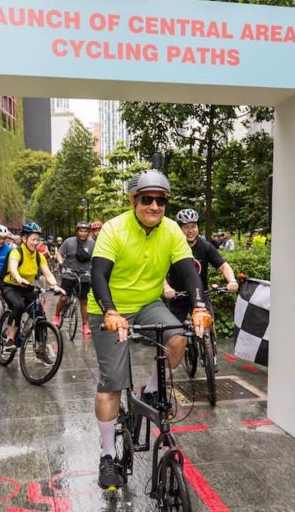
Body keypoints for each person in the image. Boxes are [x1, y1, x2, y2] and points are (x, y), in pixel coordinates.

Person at [89, 170, 212, 489]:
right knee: (112, 383)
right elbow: (98, 274)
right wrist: (111, 311)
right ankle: (107, 454)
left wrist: (199, 306)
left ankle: (150, 390)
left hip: (147, 303)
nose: (154, 206)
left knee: (178, 338)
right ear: (133, 201)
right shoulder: (115, 229)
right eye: (147, 199)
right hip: (111, 306)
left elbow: (189, 272)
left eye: (160, 200)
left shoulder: (171, 230)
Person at [163, 209, 239, 324]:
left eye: (193, 226)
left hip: (201, 296)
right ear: (179, 229)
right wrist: (167, 288)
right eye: (186, 227)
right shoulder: (171, 247)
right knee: (175, 335)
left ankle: (208, 341)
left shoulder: (205, 246)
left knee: (207, 327)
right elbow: (160, 272)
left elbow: (223, 266)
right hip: (178, 297)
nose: (190, 231)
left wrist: (232, 281)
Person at [2, 222, 65, 355]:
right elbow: (13, 268)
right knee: (18, 306)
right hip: (10, 286)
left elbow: (47, 273)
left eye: (38, 240)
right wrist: (19, 278)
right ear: (24, 239)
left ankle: (41, 349)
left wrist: (55, 286)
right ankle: (10, 339)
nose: (36, 242)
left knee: (40, 315)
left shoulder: (39, 256)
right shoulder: (16, 252)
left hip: (27, 287)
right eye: (33, 239)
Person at [54, 221, 96, 335]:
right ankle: (57, 315)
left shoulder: (92, 243)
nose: (83, 233)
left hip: (84, 276)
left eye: (85, 231)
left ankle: (85, 325)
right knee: (64, 297)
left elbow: (96, 258)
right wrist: (61, 262)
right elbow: (59, 253)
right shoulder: (69, 242)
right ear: (77, 232)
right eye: (81, 231)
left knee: (83, 301)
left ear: (88, 232)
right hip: (69, 274)